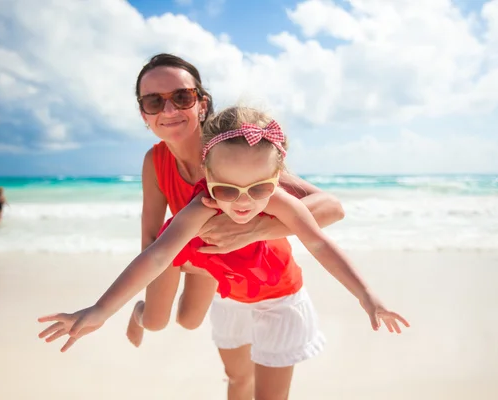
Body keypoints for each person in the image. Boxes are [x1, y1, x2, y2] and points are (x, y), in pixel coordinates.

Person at [38, 105, 409, 400]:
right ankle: (144, 314)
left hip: (280, 300)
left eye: (259, 188)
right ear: (207, 174)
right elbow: (155, 255)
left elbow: (320, 244)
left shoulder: (281, 202)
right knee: (234, 377)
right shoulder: (200, 206)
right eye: (227, 190)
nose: (244, 202)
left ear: (277, 177)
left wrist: (367, 296)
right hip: (231, 296)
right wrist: (101, 310)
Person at [124, 53, 345, 349]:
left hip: (238, 258)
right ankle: (140, 315)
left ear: (202, 104)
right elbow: (151, 234)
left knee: (189, 321)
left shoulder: (229, 149)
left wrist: (255, 230)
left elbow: (332, 207)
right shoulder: (154, 160)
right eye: (153, 101)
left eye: (181, 97)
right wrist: (148, 288)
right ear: (144, 115)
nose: (168, 109)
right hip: (189, 249)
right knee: (156, 321)